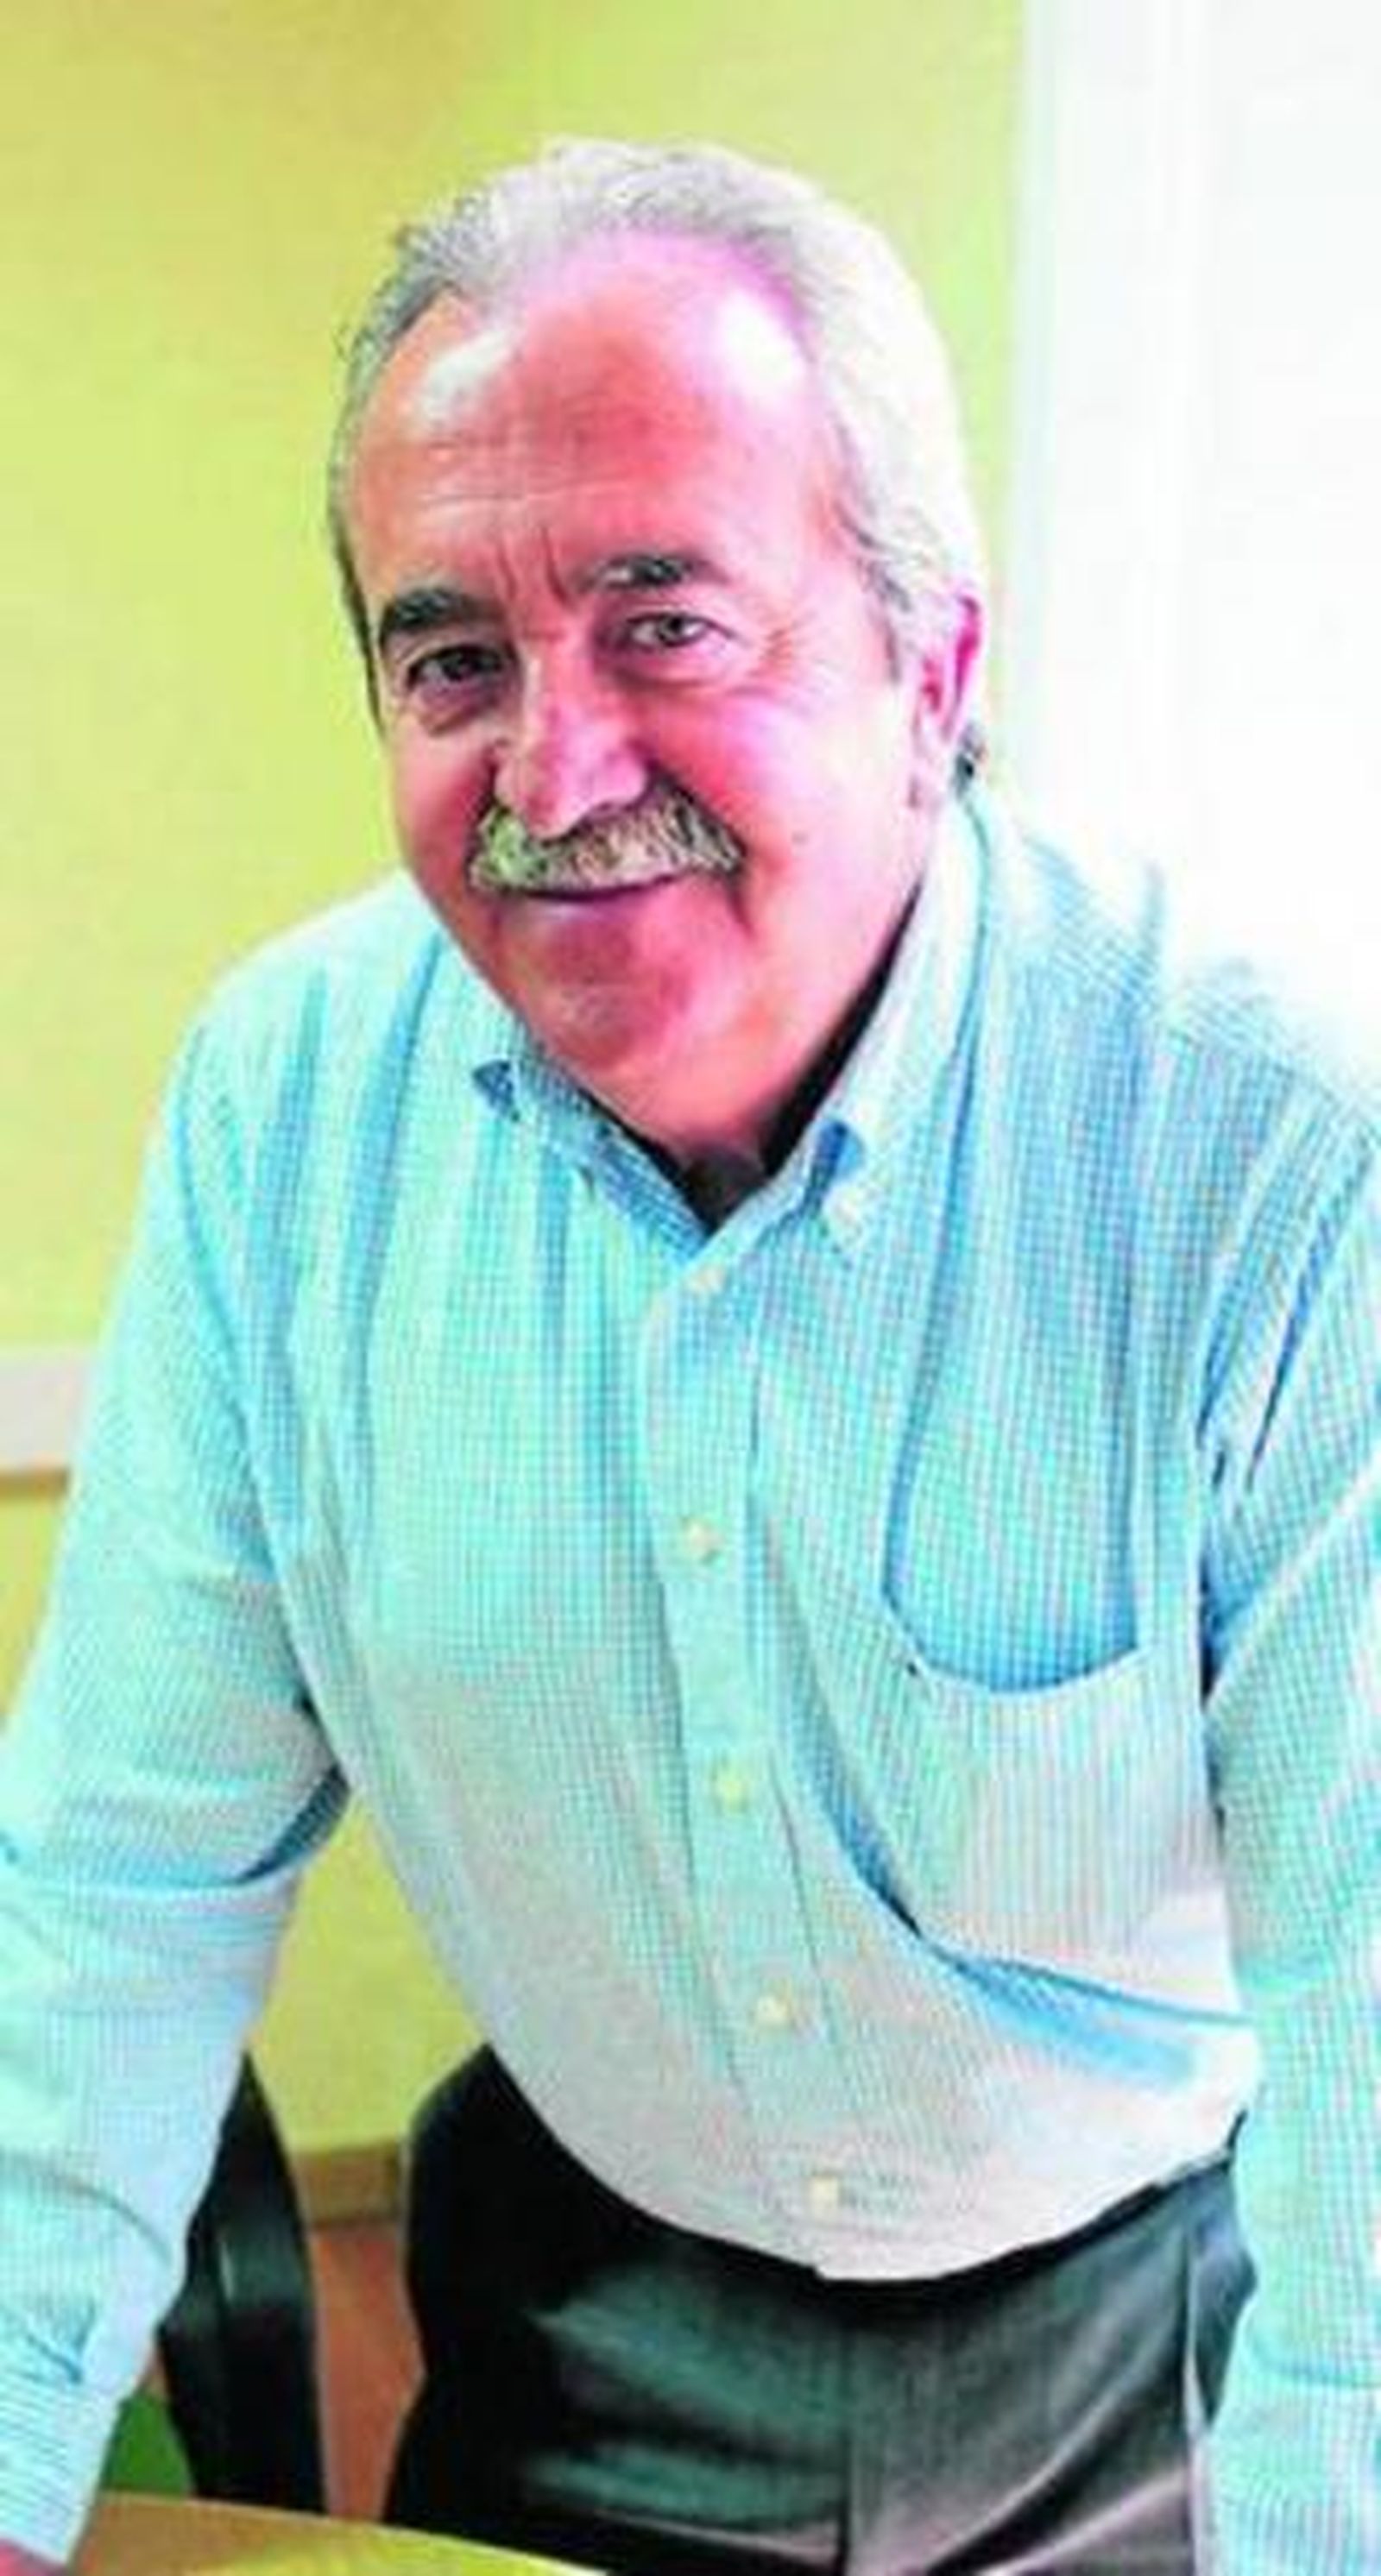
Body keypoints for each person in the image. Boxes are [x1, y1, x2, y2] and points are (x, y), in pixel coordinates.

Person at [0, 135, 1376, 2576]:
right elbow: (121, 1861)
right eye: (454, 659)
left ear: (934, 672)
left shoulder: (1271, 1150)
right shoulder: (282, 1109)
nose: (554, 773)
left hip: (1166, 2332)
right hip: (588, 2296)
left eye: (668, 624)